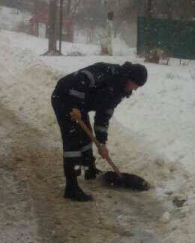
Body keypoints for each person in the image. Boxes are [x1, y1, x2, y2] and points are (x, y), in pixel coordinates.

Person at [51, 61, 148, 201]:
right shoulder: (107, 72)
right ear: (129, 78)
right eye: (136, 85)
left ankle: (90, 168)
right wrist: (75, 106)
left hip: (81, 105)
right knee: (73, 140)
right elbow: (81, 80)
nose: (136, 89)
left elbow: (103, 117)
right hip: (64, 97)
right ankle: (71, 187)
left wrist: (102, 142)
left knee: (85, 135)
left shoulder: (119, 91)